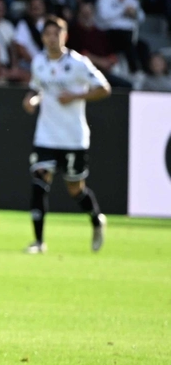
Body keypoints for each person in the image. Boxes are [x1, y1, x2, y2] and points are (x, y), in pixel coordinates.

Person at [23, 17, 111, 254]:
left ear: (65, 36)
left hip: (73, 137)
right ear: (42, 38)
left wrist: (75, 96)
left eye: (57, 33)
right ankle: (39, 242)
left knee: (75, 189)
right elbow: (38, 87)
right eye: (48, 34)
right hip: (46, 135)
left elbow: (104, 88)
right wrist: (32, 99)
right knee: (39, 182)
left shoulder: (78, 63)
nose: (52, 38)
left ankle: (96, 220)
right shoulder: (39, 62)